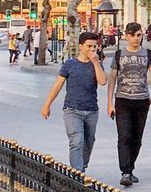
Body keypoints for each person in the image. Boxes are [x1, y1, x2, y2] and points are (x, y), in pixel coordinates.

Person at [40, 31, 108, 171]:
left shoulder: (97, 64)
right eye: (89, 46)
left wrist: (95, 62)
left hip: (91, 110)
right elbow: (58, 85)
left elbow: (102, 81)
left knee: (89, 142)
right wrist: (47, 104)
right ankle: (78, 174)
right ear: (81, 46)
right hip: (72, 110)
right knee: (76, 141)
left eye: (94, 47)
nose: (92, 49)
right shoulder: (70, 64)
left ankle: (82, 166)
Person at [107, 22, 151, 187]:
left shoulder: (148, 54)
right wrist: (109, 103)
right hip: (122, 100)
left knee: (137, 138)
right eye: (132, 35)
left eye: (139, 35)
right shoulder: (118, 55)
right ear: (126, 36)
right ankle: (125, 171)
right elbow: (112, 79)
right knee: (124, 136)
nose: (136, 38)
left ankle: (130, 169)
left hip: (142, 100)